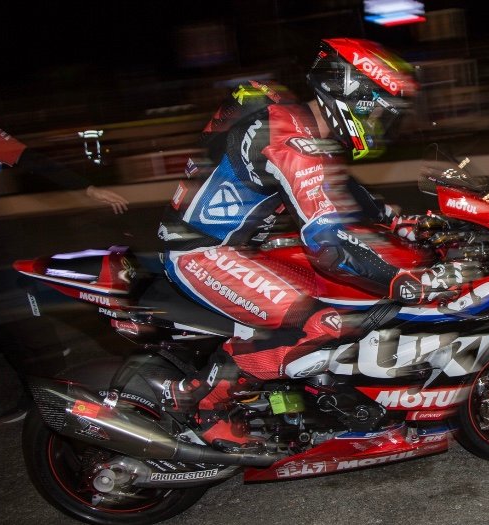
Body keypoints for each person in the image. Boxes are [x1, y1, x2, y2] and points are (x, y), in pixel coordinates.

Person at [157, 38, 466, 444]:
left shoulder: (302, 127)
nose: (382, 124)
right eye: (378, 111)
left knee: (340, 298)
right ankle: (199, 402)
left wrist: (399, 221)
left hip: (237, 249)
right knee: (323, 325)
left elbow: (339, 189)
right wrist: (403, 280)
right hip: (200, 253)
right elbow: (329, 244)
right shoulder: (288, 137)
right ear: (351, 92)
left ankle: (305, 396)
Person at [0, 65, 130, 422]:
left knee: (29, 324)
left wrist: (87, 188)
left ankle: (60, 397)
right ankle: (35, 391)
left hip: (1, 249)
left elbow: (35, 161)